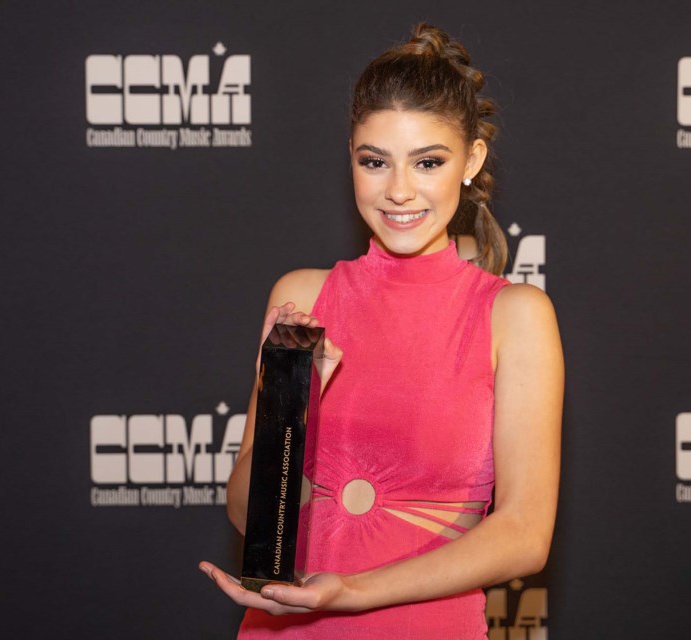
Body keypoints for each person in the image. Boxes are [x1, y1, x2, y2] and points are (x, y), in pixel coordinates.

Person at [199, 23, 564, 639]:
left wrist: (350, 593)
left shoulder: (515, 315)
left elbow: (524, 536)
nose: (399, 190)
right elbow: (245, 510)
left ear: (471, 161)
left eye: (428, 162)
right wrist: (291, 408)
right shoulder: (301, 297)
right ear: (351, 157)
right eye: (375, 161)